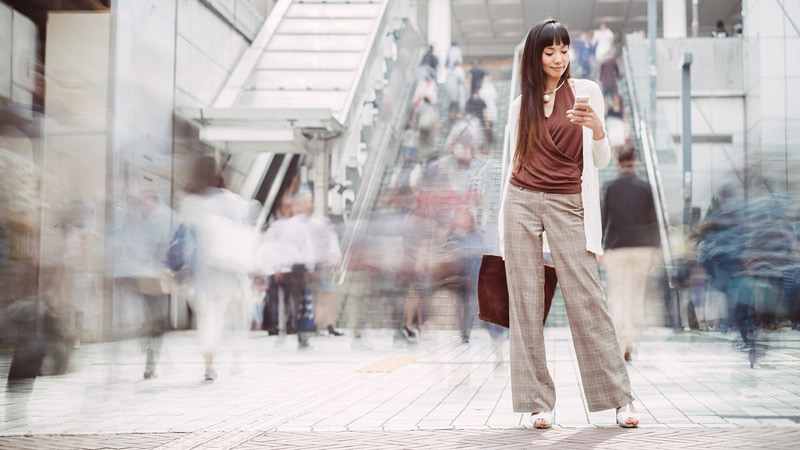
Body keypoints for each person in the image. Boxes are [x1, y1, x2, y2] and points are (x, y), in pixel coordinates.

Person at [498, 18, 639, 429]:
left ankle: (620, 398)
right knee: (525, 304)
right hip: (520, 202)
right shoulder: (518, 105)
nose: (559, 58)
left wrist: (597, 129)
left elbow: (599, 160)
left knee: (587, 300)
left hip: (568, 202)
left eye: (564, 50)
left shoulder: (586, 92)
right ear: (534, 56)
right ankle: (537, 402)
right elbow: (513, 165)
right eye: (549, 51)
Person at [181, 156, 253, 380]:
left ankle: (209, 366)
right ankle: (236, 360)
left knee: (208, 318)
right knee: (233, 316)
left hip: (203, 272)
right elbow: (241, 233)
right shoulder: (230, 200)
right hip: (229, 271)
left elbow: (186, 240)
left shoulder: (191, 202)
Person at [601, 148, 660, 362]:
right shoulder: (645, 188)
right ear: (635, 161)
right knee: (636, 296)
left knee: (617, 296)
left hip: (617, 247)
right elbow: (653, 220)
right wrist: (656, 249)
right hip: (642, 247)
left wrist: (601, 248)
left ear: (617, 162)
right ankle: (632, 342)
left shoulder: (609, 187)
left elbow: (603, 219)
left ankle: (619, 340)